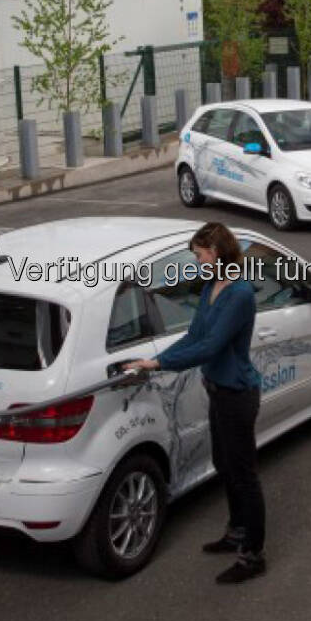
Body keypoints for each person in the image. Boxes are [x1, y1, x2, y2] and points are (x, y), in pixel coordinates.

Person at [125, 221, 265, 583]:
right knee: (224, 463)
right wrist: (153, 361)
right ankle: (235, 531)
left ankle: (252, 554)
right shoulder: (212, 287)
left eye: (200, 255)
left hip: (237, 395)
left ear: (215, 252)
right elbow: (194, 335)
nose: (198, 262)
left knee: (244, 474)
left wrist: (160, 363)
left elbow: (211, 346)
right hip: (217, 390)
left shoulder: (239, 294)